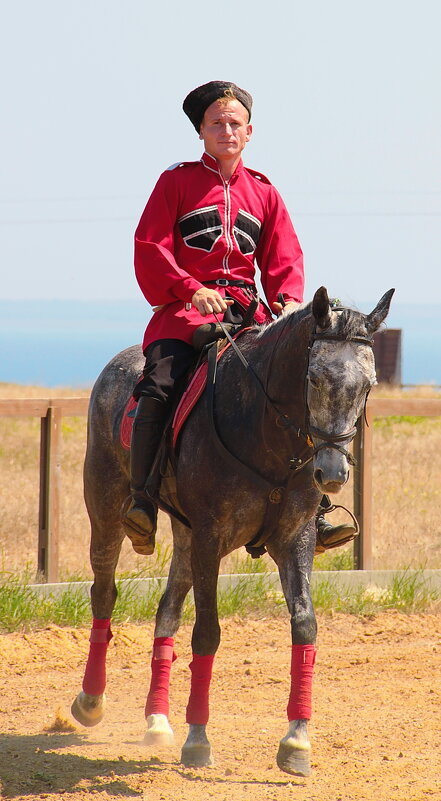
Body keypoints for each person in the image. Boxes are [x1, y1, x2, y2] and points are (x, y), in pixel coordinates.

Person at [122, 80, 356, 556]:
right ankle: (142, 500)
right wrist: (192, 288)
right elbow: (150, 247)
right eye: (217, 124)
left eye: (235, 123)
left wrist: (289, 301)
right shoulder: (176, 182)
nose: (227, 130)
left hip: (250, 315)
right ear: (202, 132)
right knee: (159, 385)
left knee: (295, 387)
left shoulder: (265, 192)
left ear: (249, 132)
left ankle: (315, 511)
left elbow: (283, 257)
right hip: (185, 315)